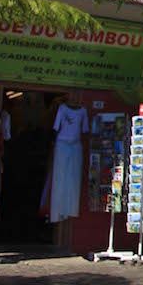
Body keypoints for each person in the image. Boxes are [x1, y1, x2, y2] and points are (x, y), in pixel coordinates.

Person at [48, 90, 89, 223]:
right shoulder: (62, 108)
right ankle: (57, 211)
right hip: (62, 144)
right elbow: (56, 127)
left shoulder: (83, 111)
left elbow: (85, 129)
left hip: (75, 146)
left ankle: (69, 209)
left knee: (73, 178)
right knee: (60, 177)